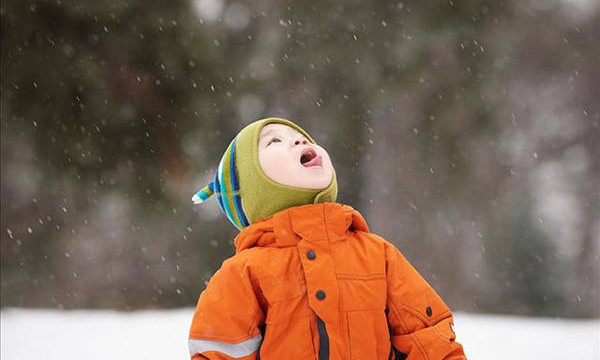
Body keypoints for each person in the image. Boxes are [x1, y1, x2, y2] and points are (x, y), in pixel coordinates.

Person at [189, 117, 466, 360]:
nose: (297, 141)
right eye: (274, 140)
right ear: (250, 187)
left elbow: (429, 339)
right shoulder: (243, 274)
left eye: (302, 138)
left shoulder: (378, 254)